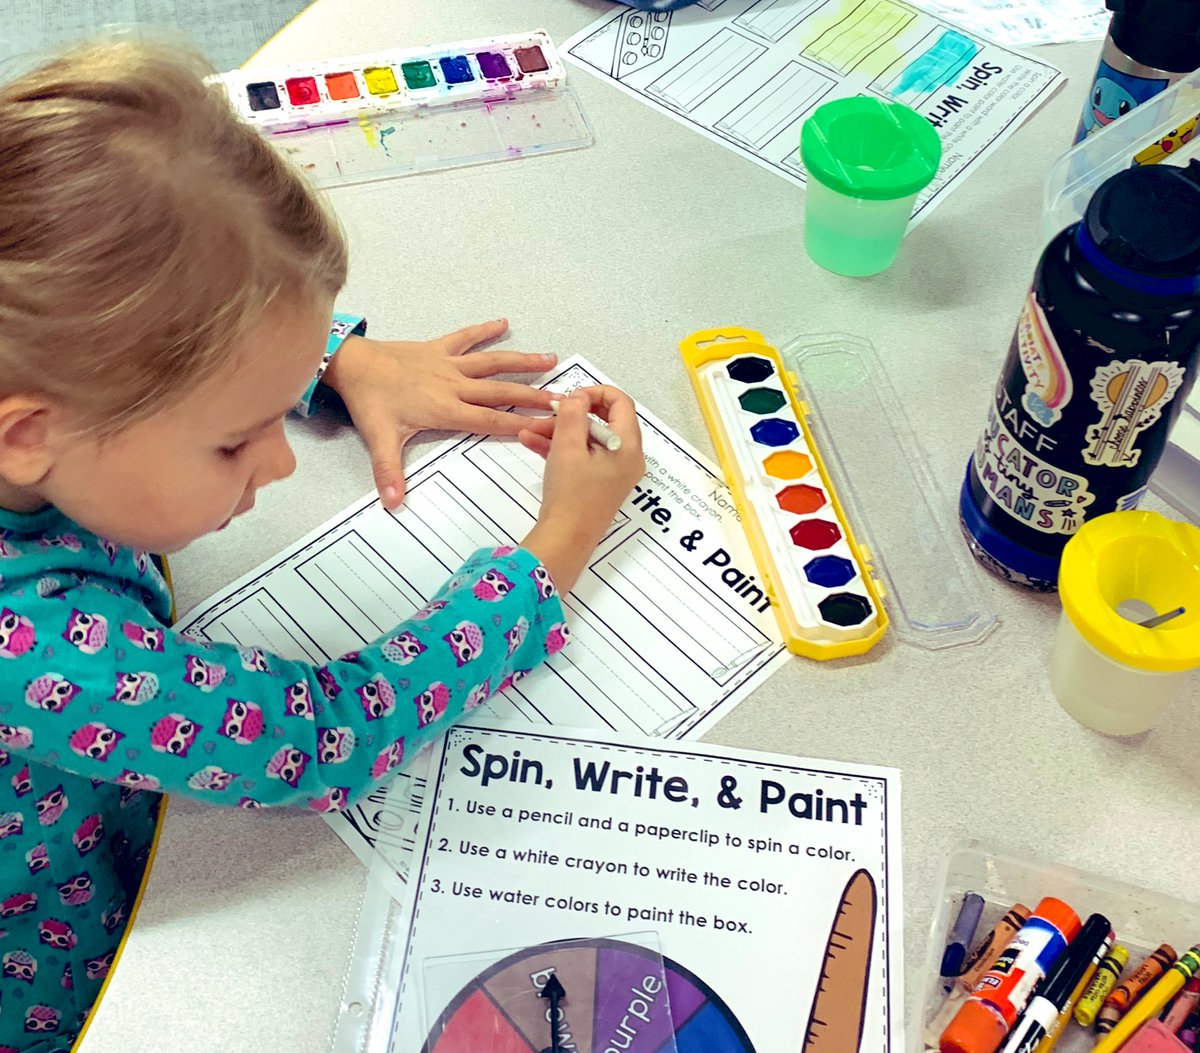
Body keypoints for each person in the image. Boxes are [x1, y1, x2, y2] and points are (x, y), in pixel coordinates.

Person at [0, 40, 644, 1050]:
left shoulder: (37, 342)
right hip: (60, 955)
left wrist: (336, 357)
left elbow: (155, 294)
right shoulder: (35, 653)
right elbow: (323, 739)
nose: (281, 463)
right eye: (232, 436)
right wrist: (554, 549)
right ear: (29, 434)